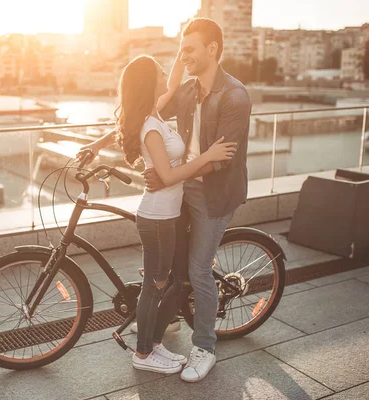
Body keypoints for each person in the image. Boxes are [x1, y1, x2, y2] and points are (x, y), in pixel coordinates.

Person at [79, 18, 252, 382]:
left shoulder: (235, 96)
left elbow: (222, 159)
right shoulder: (188, 92)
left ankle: (204, 347)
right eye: (180, 48)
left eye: (189, 48)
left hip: (213, 195)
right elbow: (142, 116)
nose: (181, 55)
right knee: (173, 272)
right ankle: (160, 324)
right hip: (181, 193)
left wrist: (169, 174)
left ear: (213, 49)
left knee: (198, 271)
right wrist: (98, 145)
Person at [104, 54, 236, 375]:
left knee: (175, 281)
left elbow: (173, 80)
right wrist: (209, 155)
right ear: (150, 83)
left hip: (166, 215)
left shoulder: (154, 113)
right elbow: (169, 175)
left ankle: (153, 340)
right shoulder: (151, 127)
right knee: (155, 285)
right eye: (160, 72)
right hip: (158, 219)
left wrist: (183, 53)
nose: (167, 75)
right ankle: (145, 352)